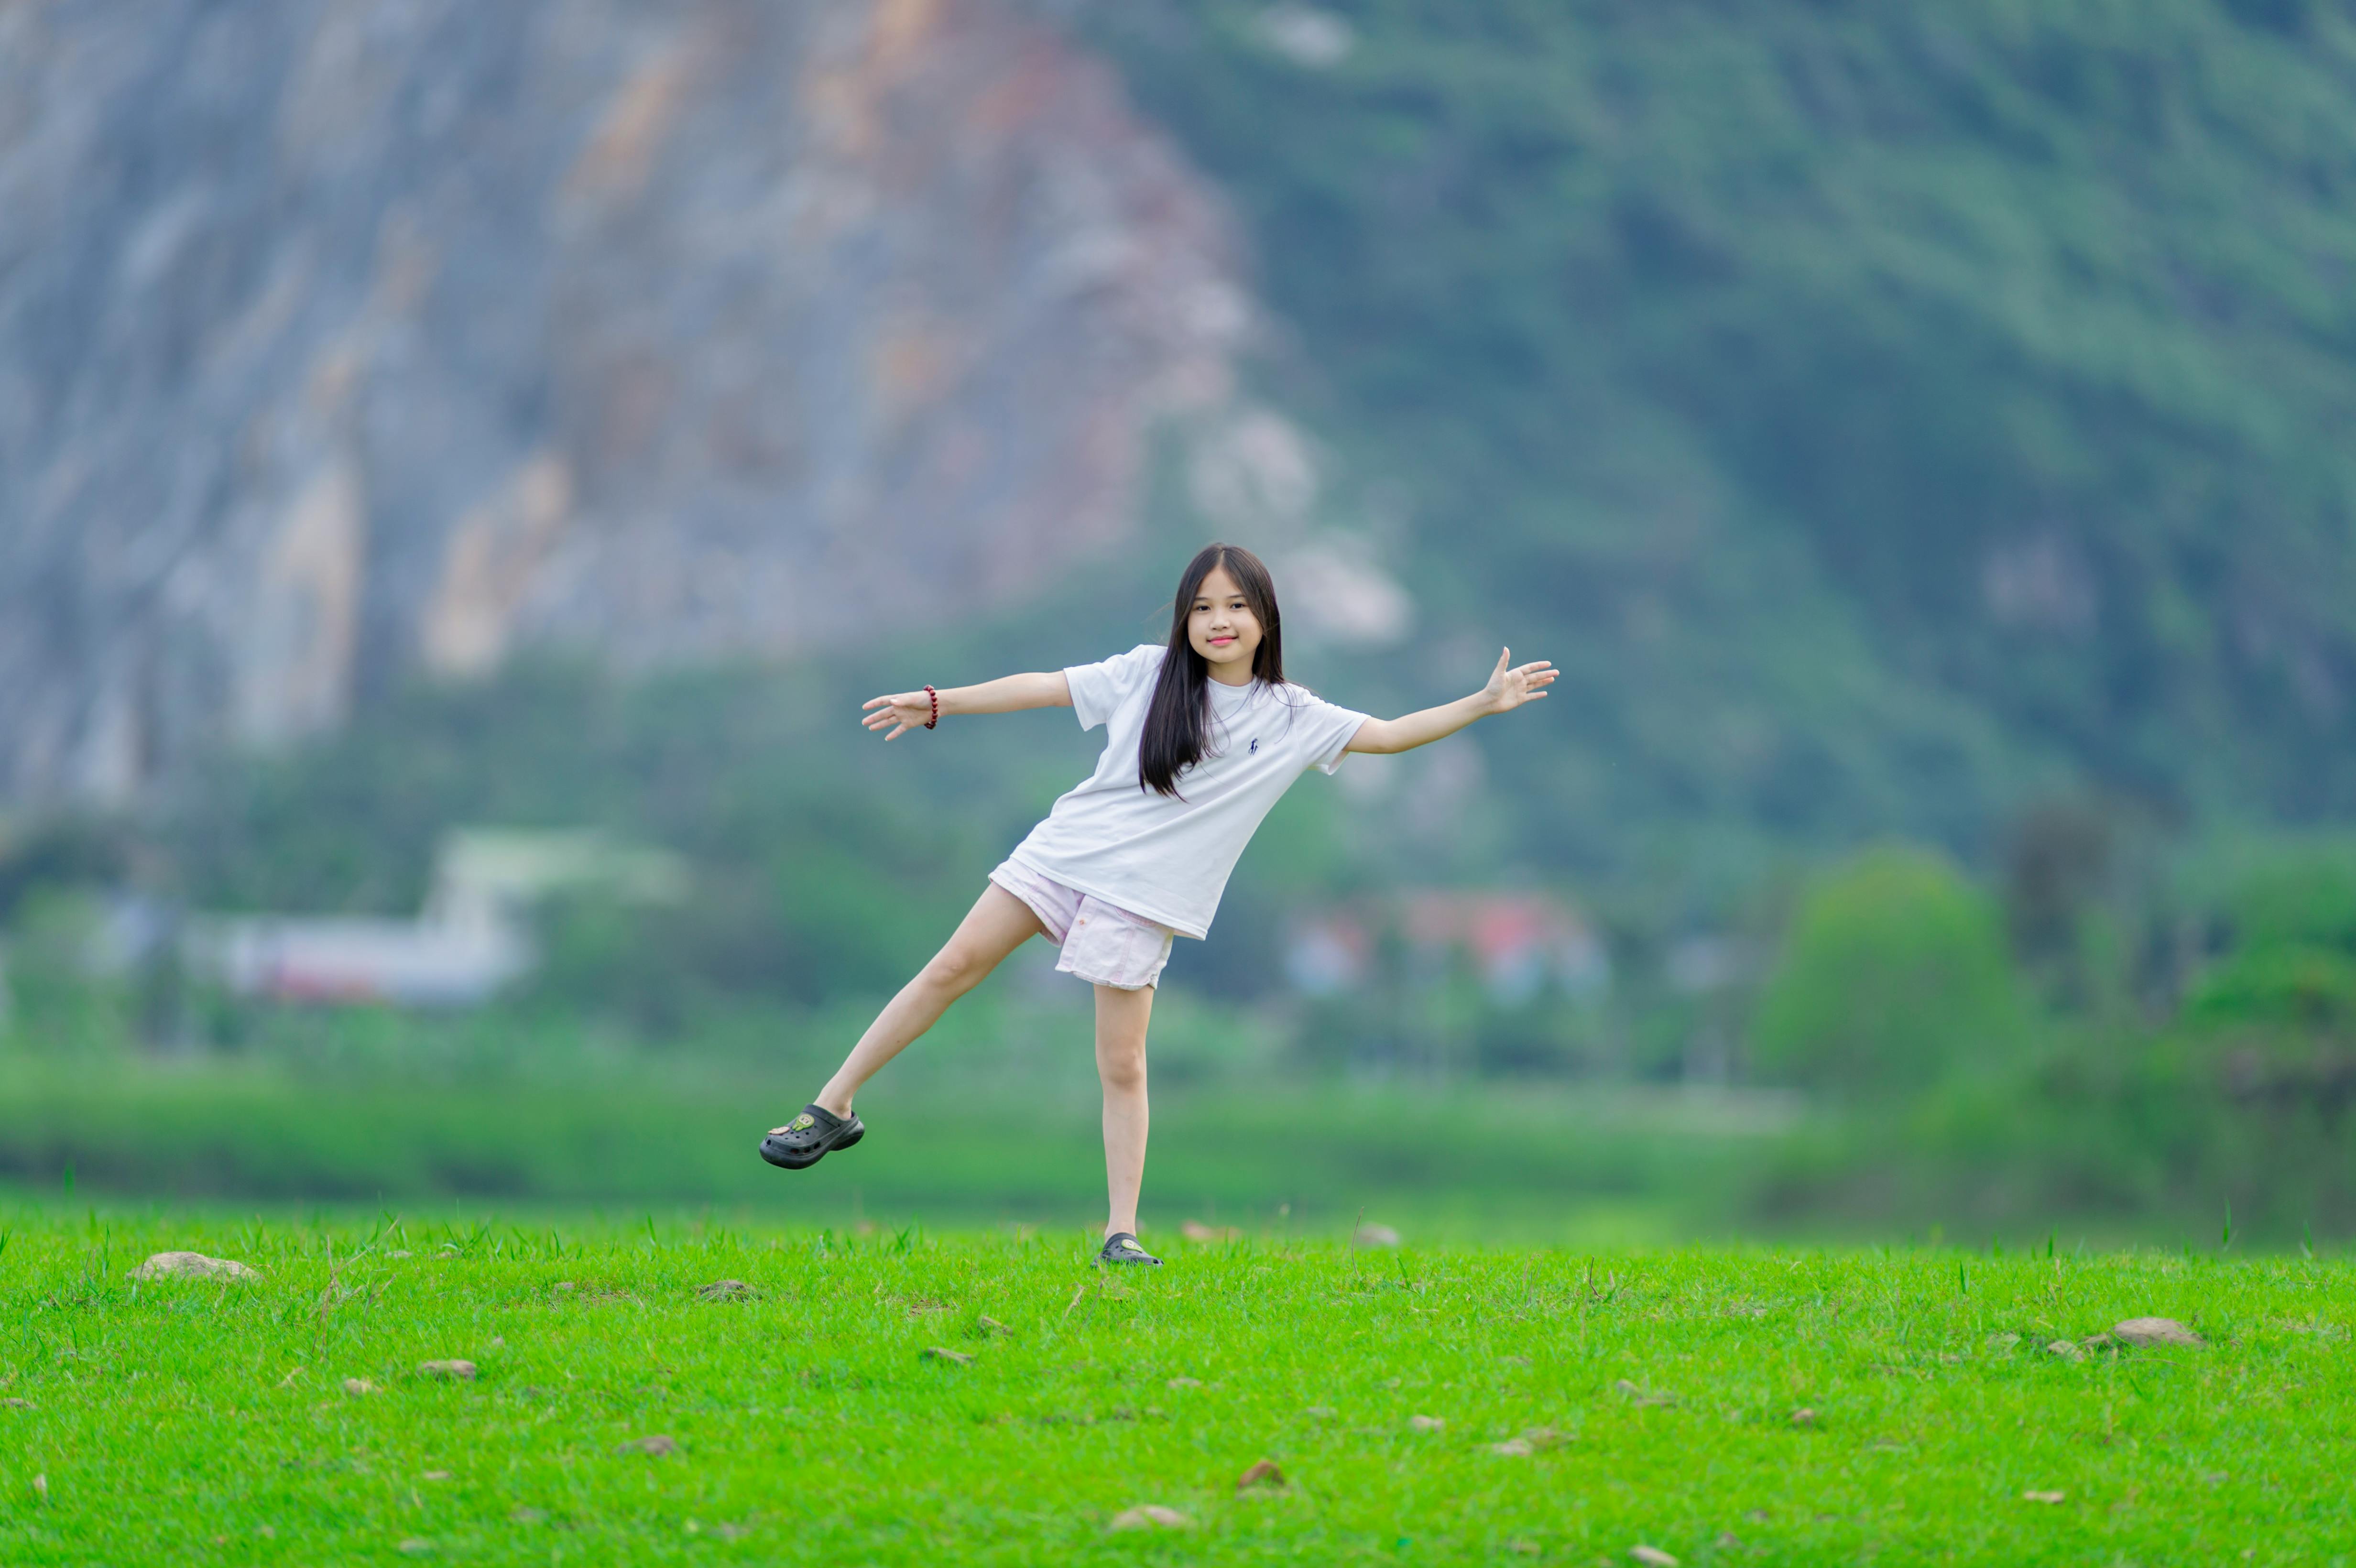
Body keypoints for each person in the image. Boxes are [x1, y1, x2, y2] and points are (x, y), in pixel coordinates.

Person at [760, 542, 1554, 1265]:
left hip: (1143, 901)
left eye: (1236, 606)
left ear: (1265, 620)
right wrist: (940, 702)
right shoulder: (1145, 673)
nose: (1218, 621)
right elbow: (1044, 686)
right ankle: (833, 1105)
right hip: (1068, 852)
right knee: (950, 968)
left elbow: (1388, 734)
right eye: (1203, 607)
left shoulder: (1292, 716)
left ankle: (1121, 1232)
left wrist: (1481, 703)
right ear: (1185, 619)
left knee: (1123, 1063)